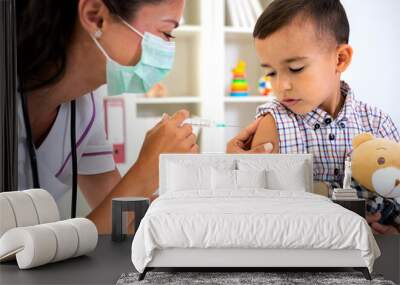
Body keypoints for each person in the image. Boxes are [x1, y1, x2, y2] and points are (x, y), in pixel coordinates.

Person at [17, 0, 270, 233]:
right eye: (166, 33)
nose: (168, 51)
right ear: (96, 17)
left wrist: (221, 185)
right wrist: (147, 168)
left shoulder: (86, 107)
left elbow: (122, 221)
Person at [250, 0, 400, 234]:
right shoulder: (273, 123)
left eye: (296, 68)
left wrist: (395, 232)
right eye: (271, 72)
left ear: (340, 59)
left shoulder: (378, 122)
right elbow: (258, 212)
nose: (281, 85)